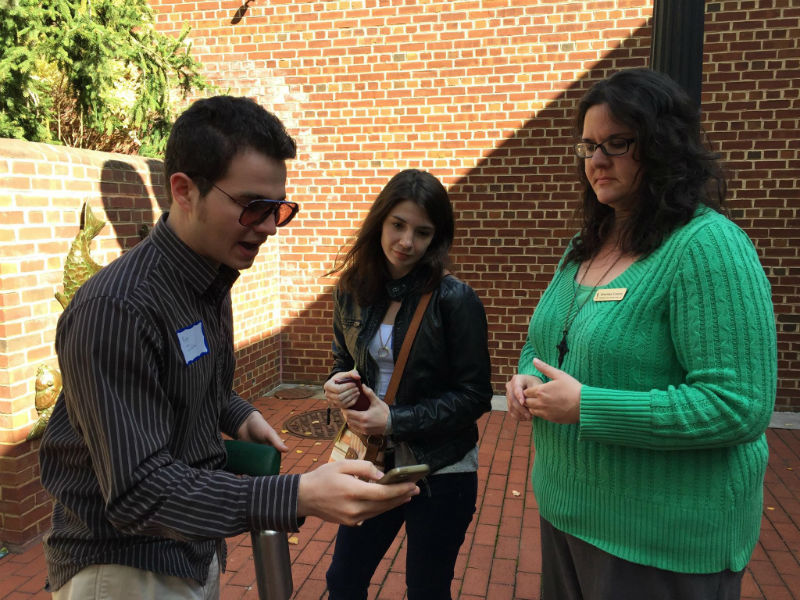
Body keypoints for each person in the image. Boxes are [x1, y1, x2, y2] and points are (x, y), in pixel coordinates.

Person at [38, 96, 420, 600]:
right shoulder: (116, 309)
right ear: (184, 191)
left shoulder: (210, 277)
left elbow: (197, 383)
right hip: (124, 569)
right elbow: (138, 492)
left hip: (191, 551)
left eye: (278, 208)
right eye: (252, 207)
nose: (267, 227)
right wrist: (299, 495)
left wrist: (238, 414)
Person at [505, 67, 777, 600]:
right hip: (567, 512)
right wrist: (522, 378)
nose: (597, 161)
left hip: (660, 542)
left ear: (662, 146)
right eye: (587, 147)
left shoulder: (707, 246)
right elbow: (544, 342)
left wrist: (588, 406)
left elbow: (739, 404)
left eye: (617, 143)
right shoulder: (587, 244)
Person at [322, 169, 493, 599]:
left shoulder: (455, 300)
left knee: (426, 588)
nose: (406, 242)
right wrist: (338, 387)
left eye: (422, 232)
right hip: (374, 464)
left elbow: (475, 395)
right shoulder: (352, 289)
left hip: (443, 467)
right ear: (380, 220)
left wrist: (394, 418)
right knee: (344, 580)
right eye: (398, 225)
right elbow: (343, 359)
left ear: (437, 237)